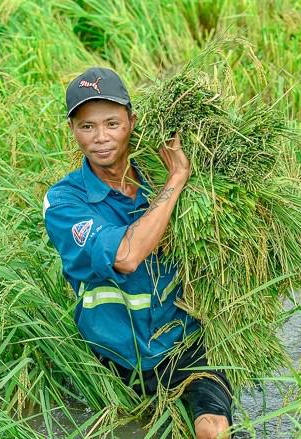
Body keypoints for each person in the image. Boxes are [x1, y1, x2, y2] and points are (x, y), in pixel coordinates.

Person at [43, 67, 232, 439]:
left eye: (112, 123)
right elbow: (127, 255)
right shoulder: (64, 201)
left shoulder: (156, 177)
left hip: (184, 344)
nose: (100, 138)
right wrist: (177, 181)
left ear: (132, 120)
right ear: (73, 130)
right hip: (112, 355)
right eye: (87, 127)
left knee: (213, 428)